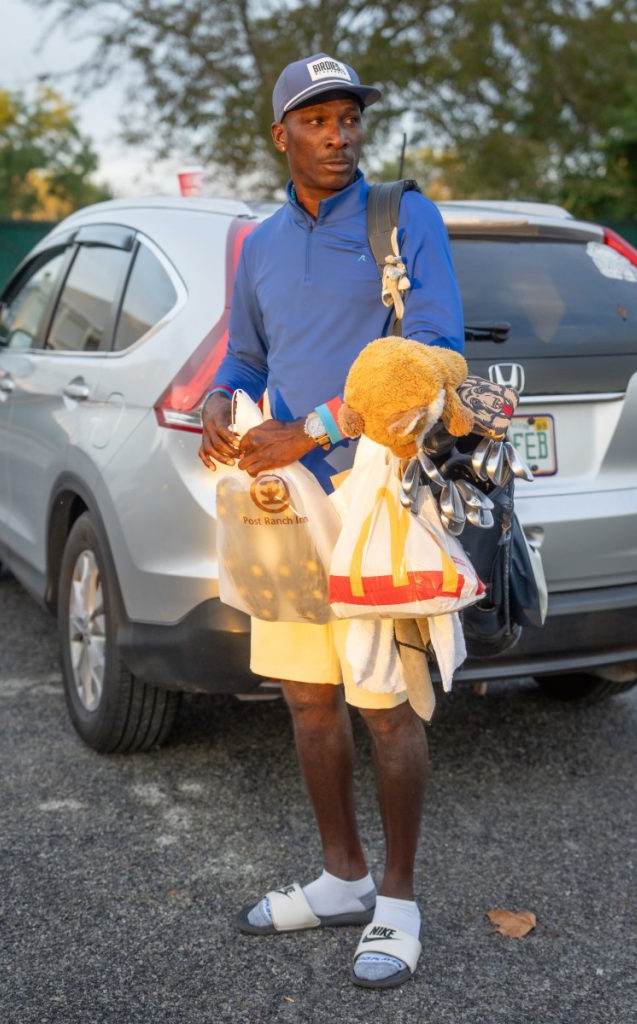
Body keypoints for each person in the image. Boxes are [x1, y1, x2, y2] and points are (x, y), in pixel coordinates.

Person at [199, 52, 465, 990]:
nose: (339, 133)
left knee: (384, 703)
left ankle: (397, 903)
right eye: (316, 120)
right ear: (283, 136)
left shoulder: (403, 216)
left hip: (378, 495)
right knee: (308, 697)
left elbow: (435, 352)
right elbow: (244, 355)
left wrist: (309, 427)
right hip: (288, 505)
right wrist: (221, 403)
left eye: (348, 116)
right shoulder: (261, 244)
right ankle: (343, 879)